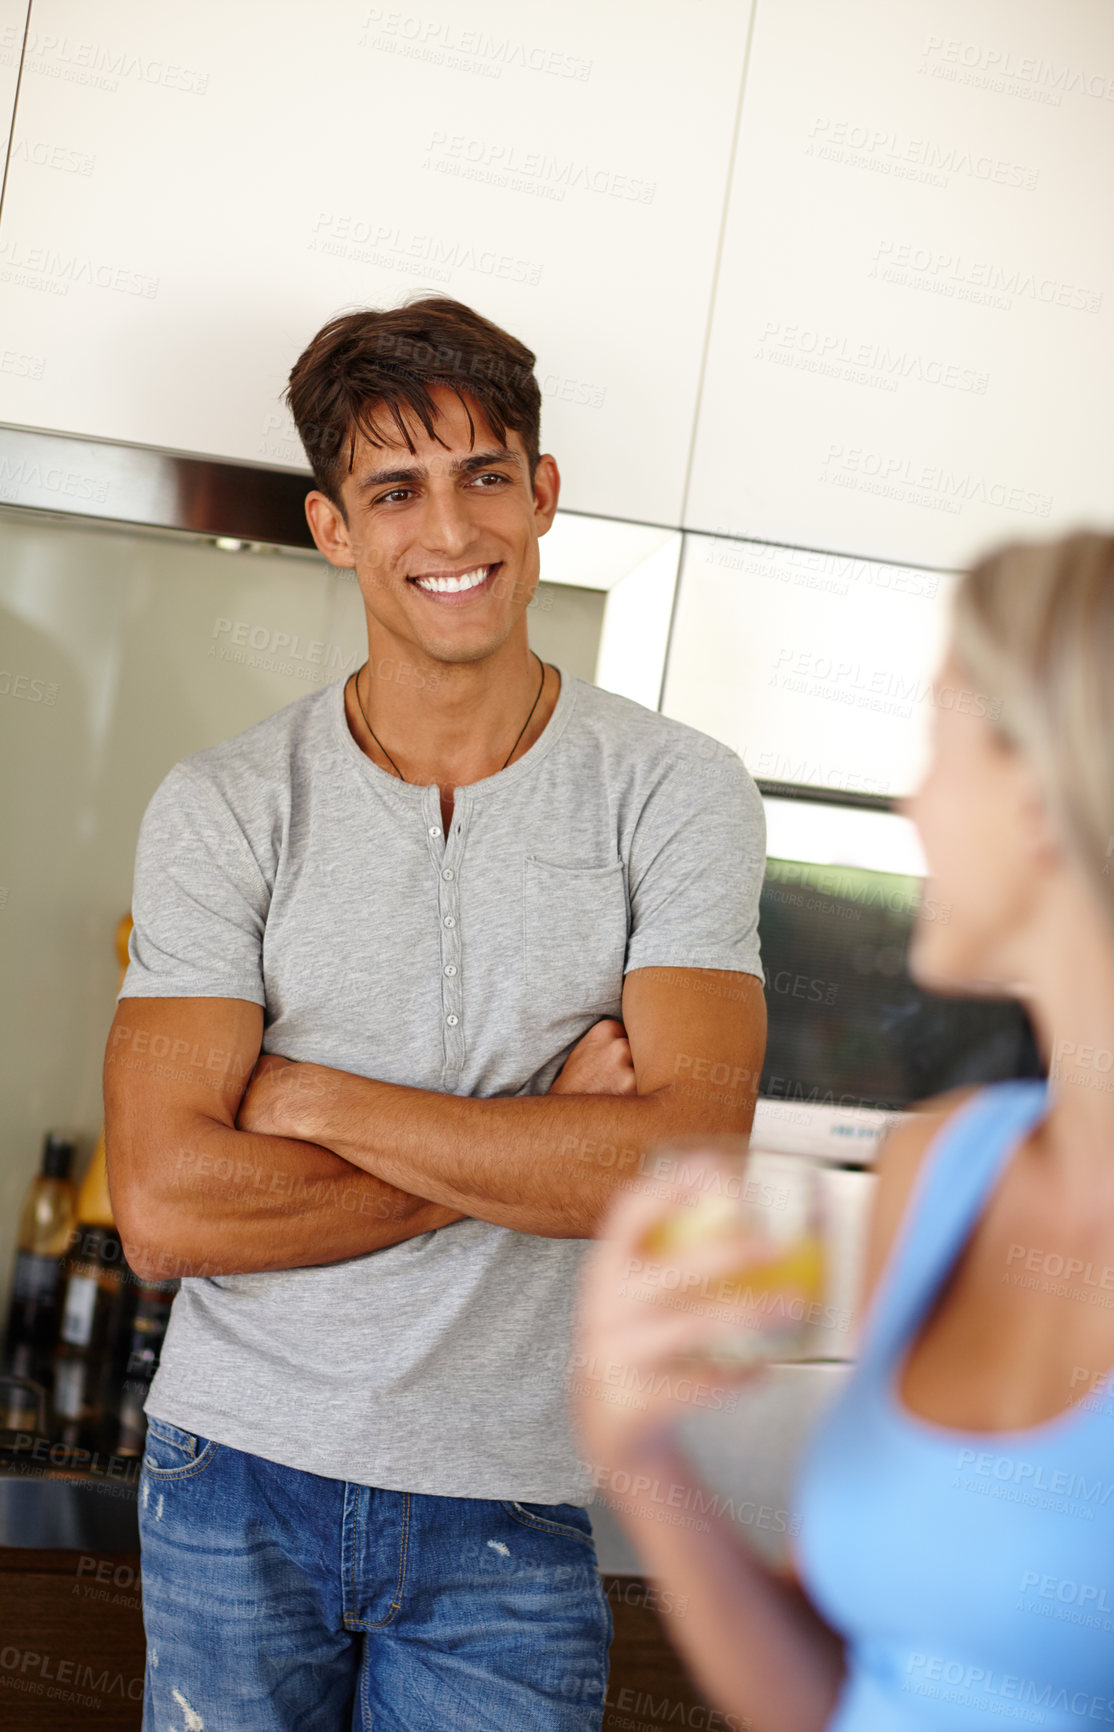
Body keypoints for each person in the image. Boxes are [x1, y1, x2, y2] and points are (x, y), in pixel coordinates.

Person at [103, 294, 769, 1730]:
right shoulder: (225, 806)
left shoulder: (674, 793)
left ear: (539, 493)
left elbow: (681, 1168)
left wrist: (311, 1099)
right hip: (233, 1475)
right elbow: (163, 1212)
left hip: (504, 1503)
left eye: (481, 475)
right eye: (394, 490)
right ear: (333, 528)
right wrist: (540, 1147)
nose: (449, 533)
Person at [572, 530, 1114, 1731]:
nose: (912, 797)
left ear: (1037, 786)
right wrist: (639, 1446)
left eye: (938, 737)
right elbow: (834, 1688)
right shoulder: (945, 1167)